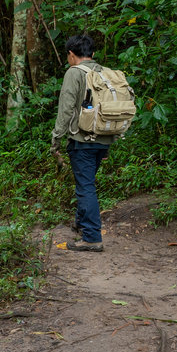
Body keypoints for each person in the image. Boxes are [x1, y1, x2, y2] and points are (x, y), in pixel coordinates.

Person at [52, 33, 114, 252]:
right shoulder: (105, 73)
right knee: (86, 184)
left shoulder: (74, 73)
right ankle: (81, 224)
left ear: (71, 54)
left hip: (82, 139)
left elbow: (67, 108)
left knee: (85, 187)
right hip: (104, 138)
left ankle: (91, 237)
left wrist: (56, 138)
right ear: (93, 54)